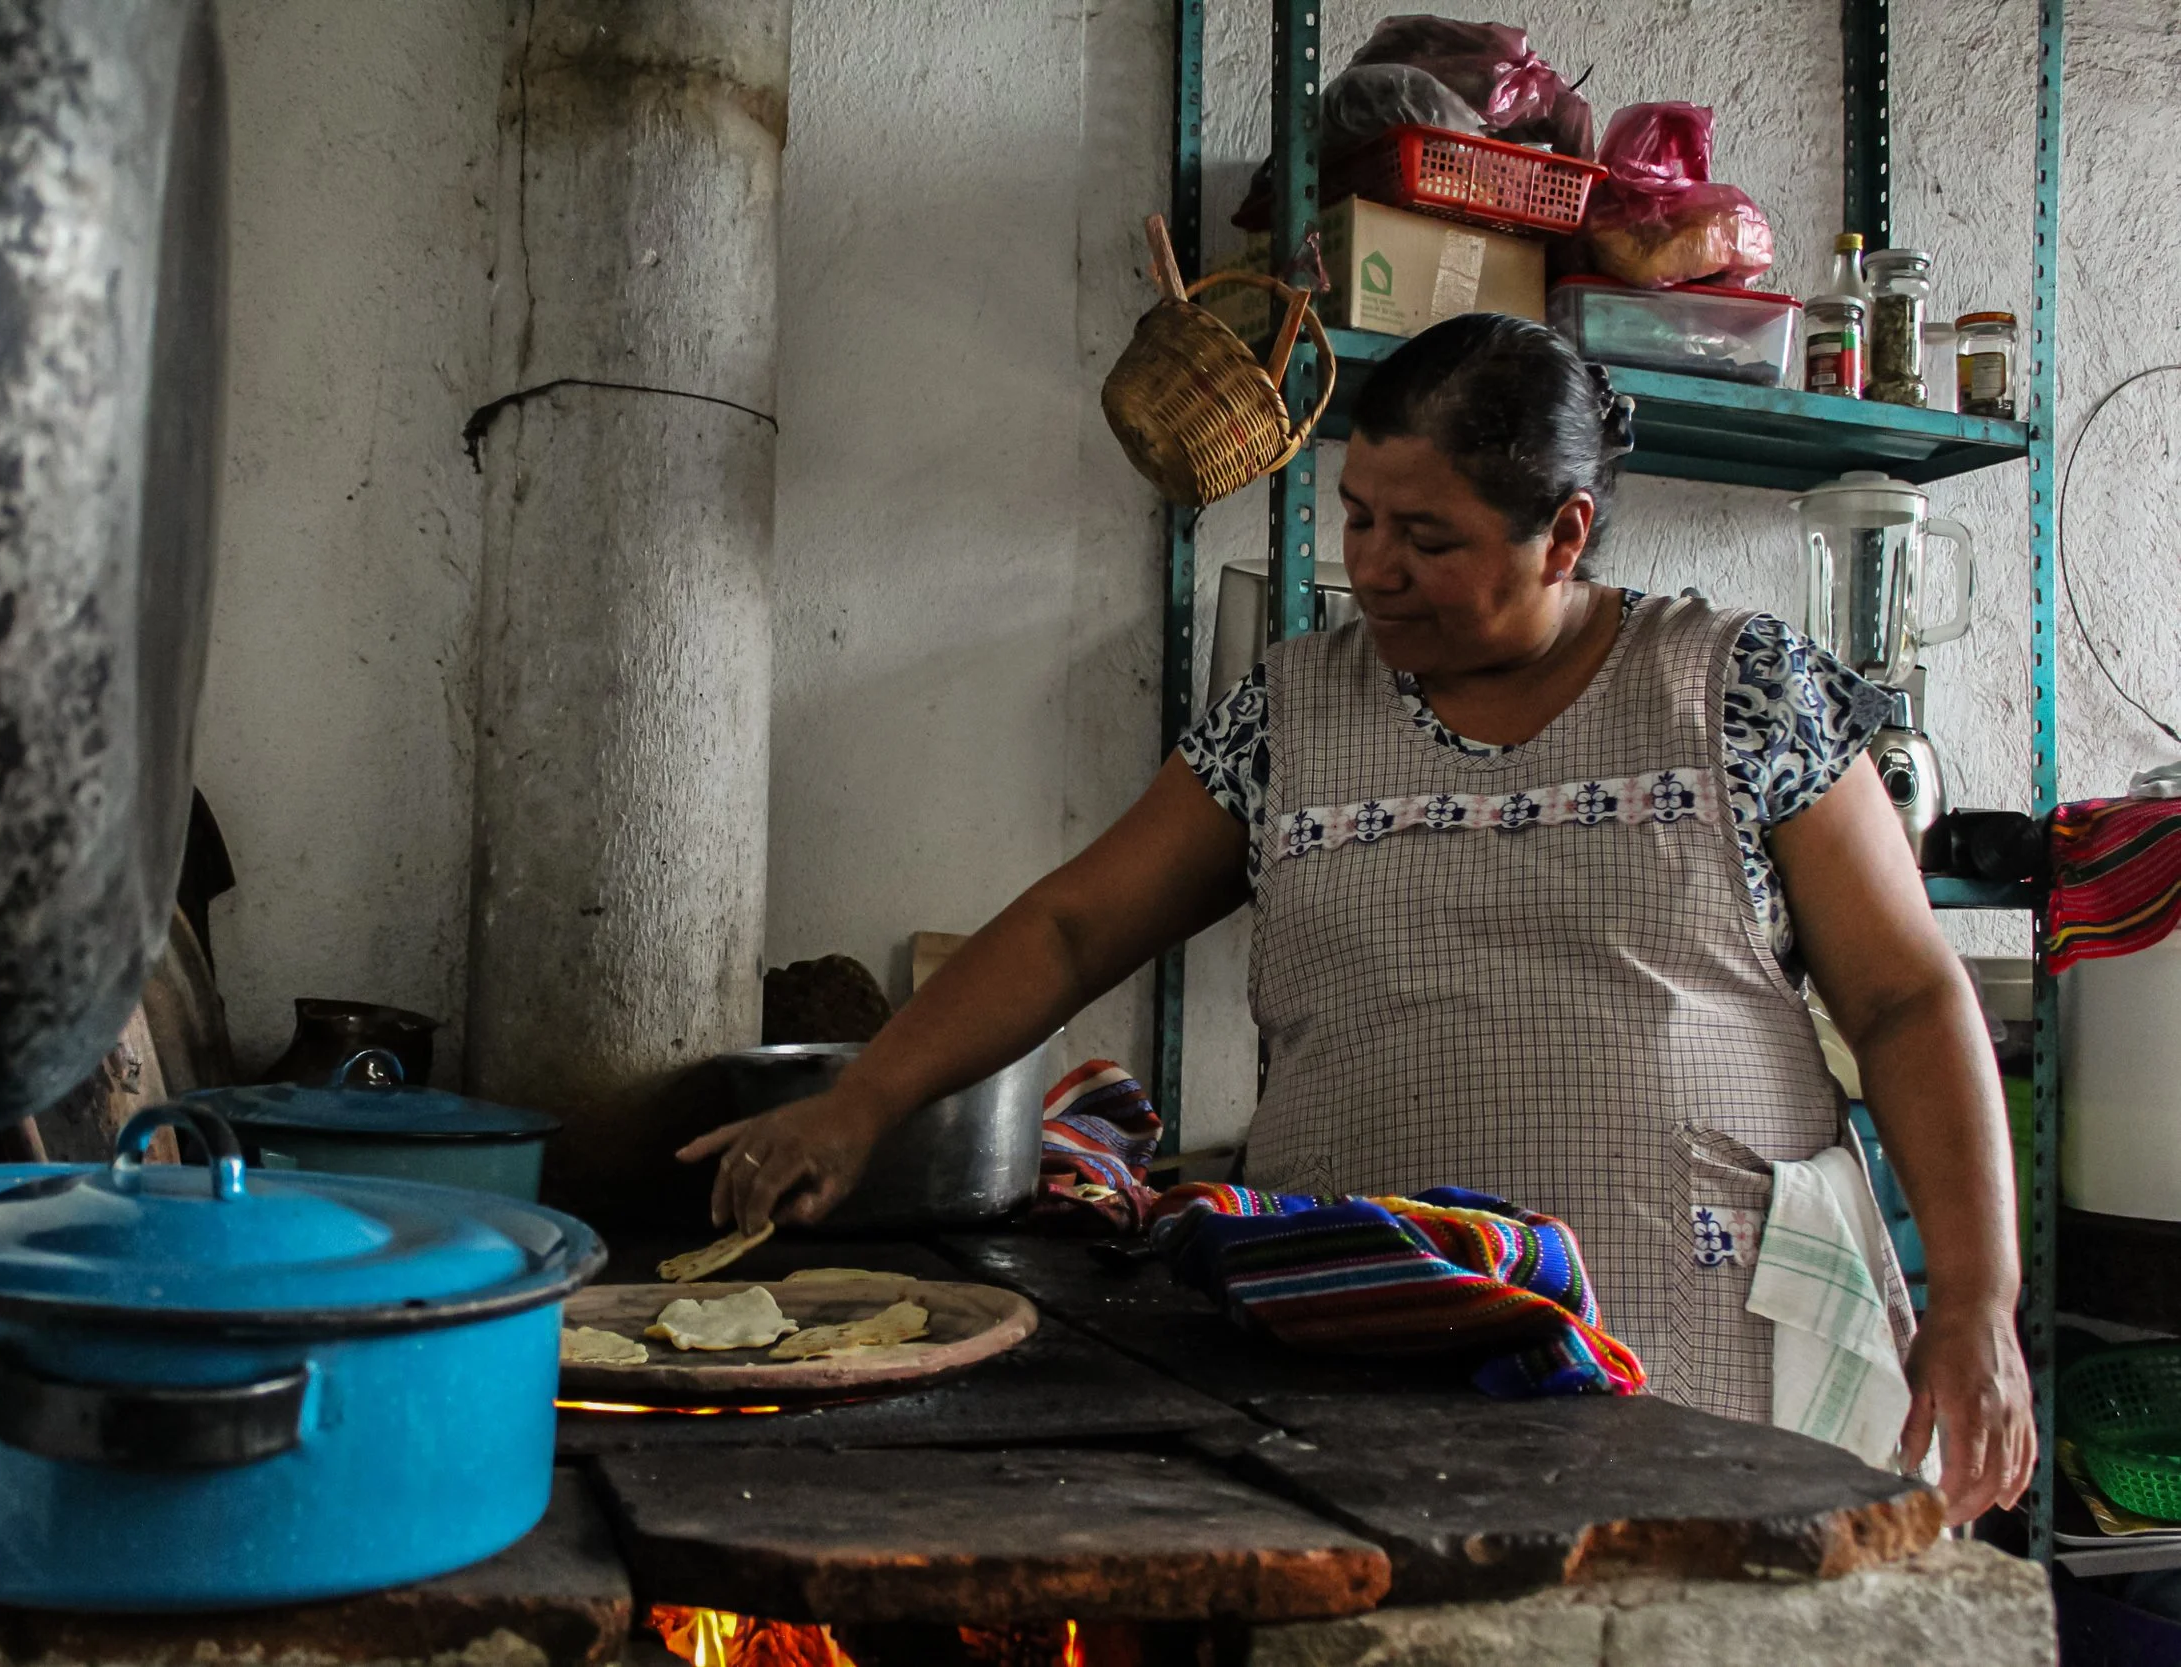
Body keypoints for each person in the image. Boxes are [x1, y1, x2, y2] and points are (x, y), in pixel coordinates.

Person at [680, 314, 2034, 1523]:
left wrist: (1976, 1299)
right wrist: (859, 1104)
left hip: (1706, 1366)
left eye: (1429, 537)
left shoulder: (1735, 689)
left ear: (1564, 531)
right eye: (1359, 516)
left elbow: (1909, 997)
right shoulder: (1292, 712)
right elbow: (1072, 929)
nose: (1375, 568)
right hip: (1360, 1367)